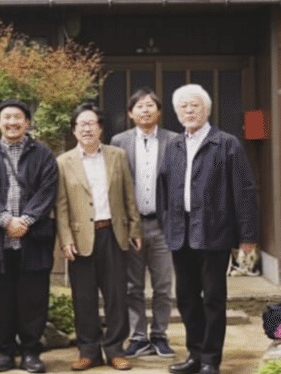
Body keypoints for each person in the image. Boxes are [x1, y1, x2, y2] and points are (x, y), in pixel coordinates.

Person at [158, 85, 259, 374]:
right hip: (181, 232)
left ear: (207, 109)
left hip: (215, 232)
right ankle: (195, 355)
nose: (189, 111)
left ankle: (211, 360)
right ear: (177, 112)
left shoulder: (226, 143)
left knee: (213, 299)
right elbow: (164, 189)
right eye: (183, 106)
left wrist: (247, 236)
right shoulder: (174, 145)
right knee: (187, 298)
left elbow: (244, 191)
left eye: (195, 105)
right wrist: (167, 223)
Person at [0, 99, 59, 374]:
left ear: (27, 122)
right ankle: (4, 351)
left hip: (33, 240)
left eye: (17, 117)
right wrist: (7, 221)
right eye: (6, 117)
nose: (12, 122)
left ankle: (32, 351)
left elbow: (48, 191)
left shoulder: (43, 155)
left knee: (33, 298)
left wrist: (27, 220)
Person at [55, 103, 143, 372]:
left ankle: (115, 349)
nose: (87, 128)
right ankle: (88, 351)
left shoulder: (117, 156)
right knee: (84, 297)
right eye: (81, 124)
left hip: (113, 233)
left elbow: (129, 195)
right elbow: (61, 205)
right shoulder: (63, 162)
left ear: (101, 128)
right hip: (81, 239)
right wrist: (65, 238)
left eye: (92, 123)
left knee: (117, 294)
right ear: (74, 130)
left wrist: (135, 229)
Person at [110, 87, 178, 360]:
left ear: (159, 111)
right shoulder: (119, 141)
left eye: (151, 105)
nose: (146, 110)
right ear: (130, 113)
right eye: (140, 106)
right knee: (132, 285)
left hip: (164, 225)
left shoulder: (174, 140)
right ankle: (138, 337)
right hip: (132, 225)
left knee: (163, 285)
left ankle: (160, 334)